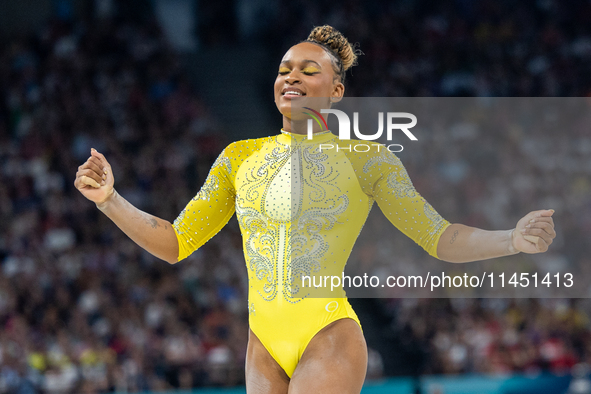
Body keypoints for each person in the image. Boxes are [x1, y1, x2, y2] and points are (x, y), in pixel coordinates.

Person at [74, 25, 556, 394]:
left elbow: (440, 238)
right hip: (262, 341)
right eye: (285, 69)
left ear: (337, 91)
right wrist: (110, 200)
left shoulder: (366, 158)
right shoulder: (239, 157)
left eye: (309, 71)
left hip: (327, 332)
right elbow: (175, 242)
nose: (292, 78)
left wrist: (511, 239)